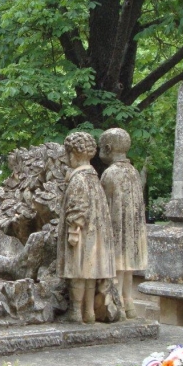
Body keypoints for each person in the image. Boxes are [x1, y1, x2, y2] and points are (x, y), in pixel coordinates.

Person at [58, 132, 116, 323]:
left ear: (73, 154)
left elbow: (77, 207)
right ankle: (89, 312)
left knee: (79, 274)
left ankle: (76, 311)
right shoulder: (94, 178)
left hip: (82, 235)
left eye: (68, 154)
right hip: (95, 235)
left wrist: (73, 231)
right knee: (90, 275)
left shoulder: (79, 179)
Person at [99, 128, 148, 319]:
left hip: (116, 229)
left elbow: (103, 205)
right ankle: (129, 304)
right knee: (127, 271)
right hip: (132, 231)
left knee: (118, 269)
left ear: (108, 148)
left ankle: (117, 303)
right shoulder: (133, 172)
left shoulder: (110, 174)